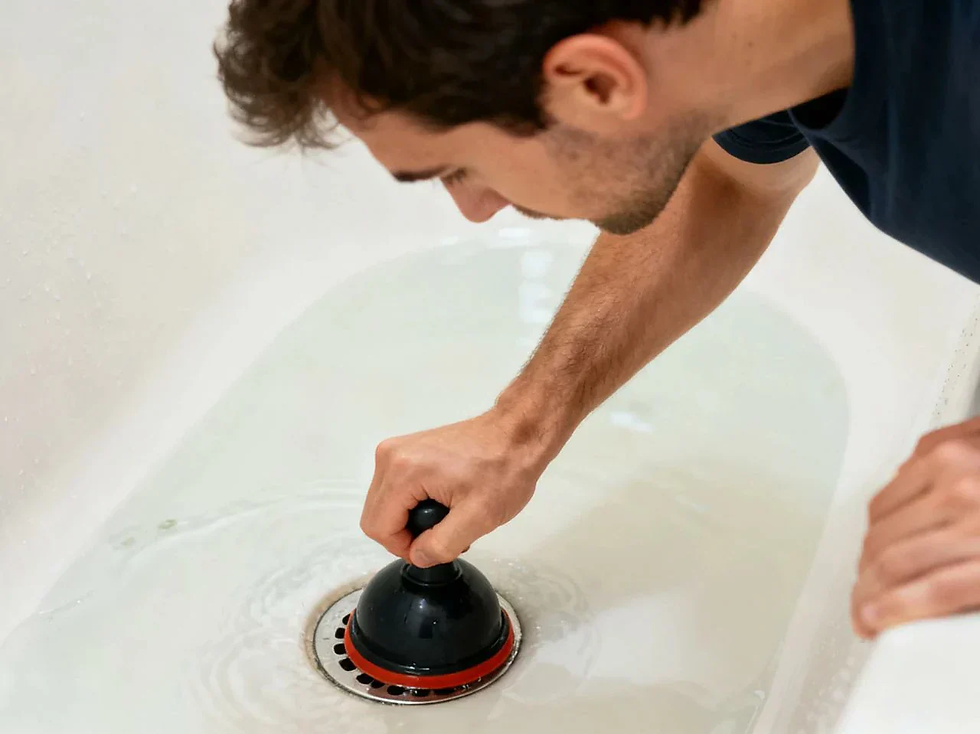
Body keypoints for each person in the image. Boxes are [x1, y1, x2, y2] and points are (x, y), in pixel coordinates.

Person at [213, 0, 980, 641]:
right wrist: (522, 426)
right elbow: (734, 180)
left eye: (459, 167)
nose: (474, 208)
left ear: (597, 82)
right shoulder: (749, 46)